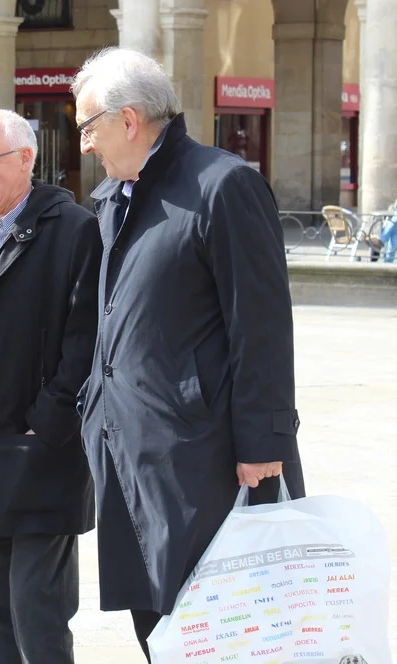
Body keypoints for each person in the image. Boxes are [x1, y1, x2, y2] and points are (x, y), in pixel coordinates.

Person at [71, 47, 304, 660]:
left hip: (204, 459)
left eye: (87, 127)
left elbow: (261, 327)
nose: (84, 144)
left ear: (128, 121)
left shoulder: (223, 185)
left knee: (223, 630)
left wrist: (264, 442)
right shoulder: (113, 198)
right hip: (129, 451)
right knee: (158, 630)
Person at [0, 109, 102, 664]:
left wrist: (48, 422)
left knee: (38, 612)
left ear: (27, 158)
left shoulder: (76, 230)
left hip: (43, 454)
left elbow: (87, 340)